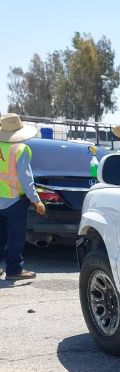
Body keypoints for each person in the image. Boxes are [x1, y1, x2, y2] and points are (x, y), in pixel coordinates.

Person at [0, 113, 45, 281]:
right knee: (15, 238)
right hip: (14, 202)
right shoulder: (20, 149)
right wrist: (36, 201)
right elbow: (27, 180)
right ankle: (14, 270)